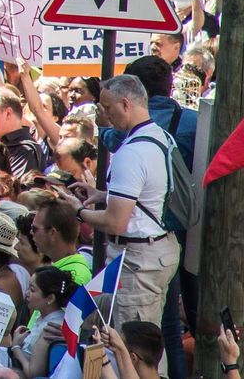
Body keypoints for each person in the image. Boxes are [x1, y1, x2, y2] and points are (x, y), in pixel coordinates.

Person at [77, 75, 180, 326]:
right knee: (142, 335)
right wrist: (103, 196)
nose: (104, 115)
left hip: (138, 259)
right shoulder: (161, 136)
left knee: (133, 341)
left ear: (125, 104)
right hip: (154, 251)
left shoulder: (132, 152)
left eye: (107, 108)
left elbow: (115, 222)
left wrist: (77, 212)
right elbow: (150, 193)